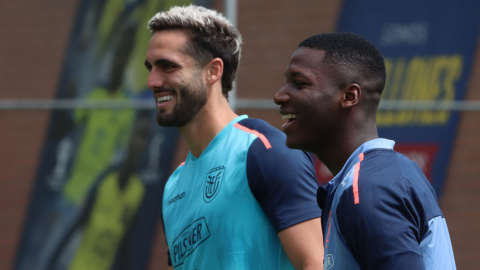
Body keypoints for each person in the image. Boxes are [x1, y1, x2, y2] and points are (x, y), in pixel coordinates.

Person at [144, 5, 323, 270]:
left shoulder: (265, 151)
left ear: (213, 71)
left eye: (167, 66)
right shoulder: (173, 187)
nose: (153, 81)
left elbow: (318, 264)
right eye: (150, 67)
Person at [274, 32, 456, 270]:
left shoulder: (366, 189)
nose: (279, 96)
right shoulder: (383, 174)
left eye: (299, 84)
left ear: (349, 96)